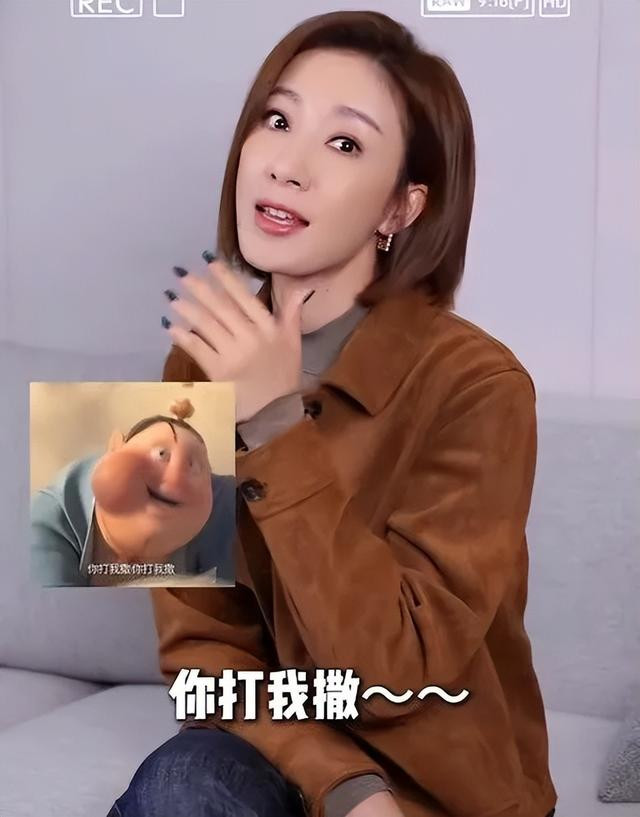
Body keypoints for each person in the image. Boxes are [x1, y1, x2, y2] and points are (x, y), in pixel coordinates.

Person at [110, 9, 557, 817]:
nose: (288, 165)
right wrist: (343, 784)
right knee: (179, 786)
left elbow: (398, 669)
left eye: (345, 143)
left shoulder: (482, 385)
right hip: (278, 761)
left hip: (438, 788)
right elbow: (198, 652)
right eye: (277, 121)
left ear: (400, 209)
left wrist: (275, 424)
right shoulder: (191, 362)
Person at [31, 406, 236, 587]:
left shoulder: (222, 508)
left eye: (195, 466)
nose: (176, 477)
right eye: (161, 454)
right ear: (114, 449)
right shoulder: (47, 523)